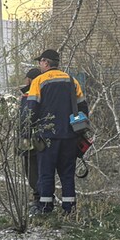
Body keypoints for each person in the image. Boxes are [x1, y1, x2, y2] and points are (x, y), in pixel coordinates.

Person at [25, 49, 88, 215]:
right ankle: (69, 208)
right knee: (67, 174)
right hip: (70, 135)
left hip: (47, 136)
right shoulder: (72, 81)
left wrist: (27, 131)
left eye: (40, 61)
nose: (39, 64)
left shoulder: (38, 81)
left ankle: (46, 207)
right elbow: (83, 108)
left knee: (46, 172)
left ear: (46, 62)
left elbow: (31, 110)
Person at [18, 67, 42, 205]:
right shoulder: (44, 91)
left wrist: (23, 136)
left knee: (31, 167)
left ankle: (38, 196)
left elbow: (25, 117)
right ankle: (41, 195)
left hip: (31, 137)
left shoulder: (29, 94)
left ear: (30, 79)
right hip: (42, 136)